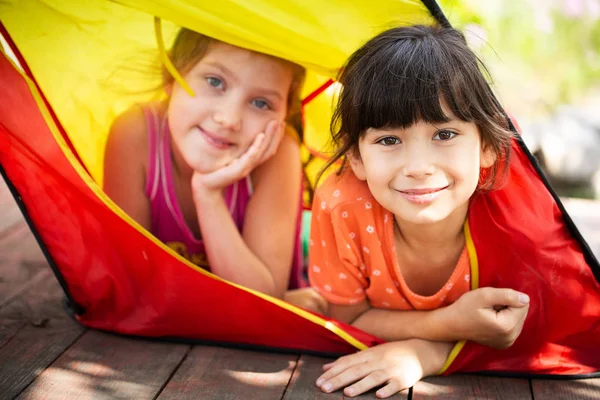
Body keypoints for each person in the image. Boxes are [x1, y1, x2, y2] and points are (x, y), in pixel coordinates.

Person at [308, 25, 531, 398]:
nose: (418, 166)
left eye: (444, 134)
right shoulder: (341, 205)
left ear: (488, 146)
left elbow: (538, 328)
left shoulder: (515, 216)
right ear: (357, 159)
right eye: (389, 140)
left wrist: (426, 354)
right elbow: (348, 319)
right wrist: (447, 325)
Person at [103, 28, 326, 313]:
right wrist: (278, 298)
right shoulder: (134, 134)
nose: (229, 119)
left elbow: (258, 305)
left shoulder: (279, 154)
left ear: (284, 116)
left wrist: (208, 194)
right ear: (170, 77)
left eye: (261, 103)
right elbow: (130, 284)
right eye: (215, 81)